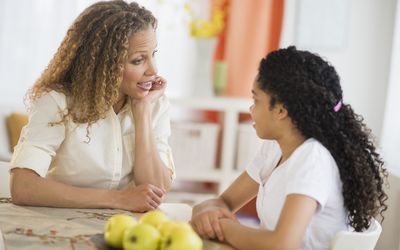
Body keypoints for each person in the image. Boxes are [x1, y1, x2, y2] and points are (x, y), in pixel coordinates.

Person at [190, 46, 388, 249]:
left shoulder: (312, 157)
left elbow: (282, 245)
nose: (251, 109)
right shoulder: (274, 149)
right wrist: (205, 210)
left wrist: (221, 227)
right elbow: (225, 201)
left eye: (256, 100)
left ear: (281, 111)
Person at [9, 0, 175, 212]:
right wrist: (119, 199)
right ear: (105, 63)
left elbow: (157, 188)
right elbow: (23, 187)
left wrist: (142, 109)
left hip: (128, 230)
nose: (153, 69)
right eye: (138, 60)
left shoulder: (154, 103)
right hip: (60, 224)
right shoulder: (58, 100)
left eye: (153, 54)